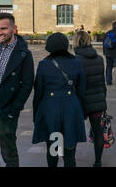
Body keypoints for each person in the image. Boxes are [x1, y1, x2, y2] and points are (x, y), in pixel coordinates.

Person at [0, 13, 34, 167]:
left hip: (4, 112)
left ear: (13, 28)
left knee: (9, 154)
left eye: (4, 28)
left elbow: (27, 84)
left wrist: (14, 109)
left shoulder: (24, 53)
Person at [32, 32, 86, 167]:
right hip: (71, 107)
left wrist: (36, 114)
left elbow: (38, 92)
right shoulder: (76, 63)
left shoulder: (44, 64)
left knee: (53, 148)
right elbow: (81, 90)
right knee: (69, 149)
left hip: (51, 108)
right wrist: (81, 111)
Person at [73, 31, 107, 167]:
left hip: (79, 101)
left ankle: (71, 159)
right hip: (97, 98)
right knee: (97, 130)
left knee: (73, 130)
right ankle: (98, 161)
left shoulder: (75, 60)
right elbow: (101, 80)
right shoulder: (99, 59)